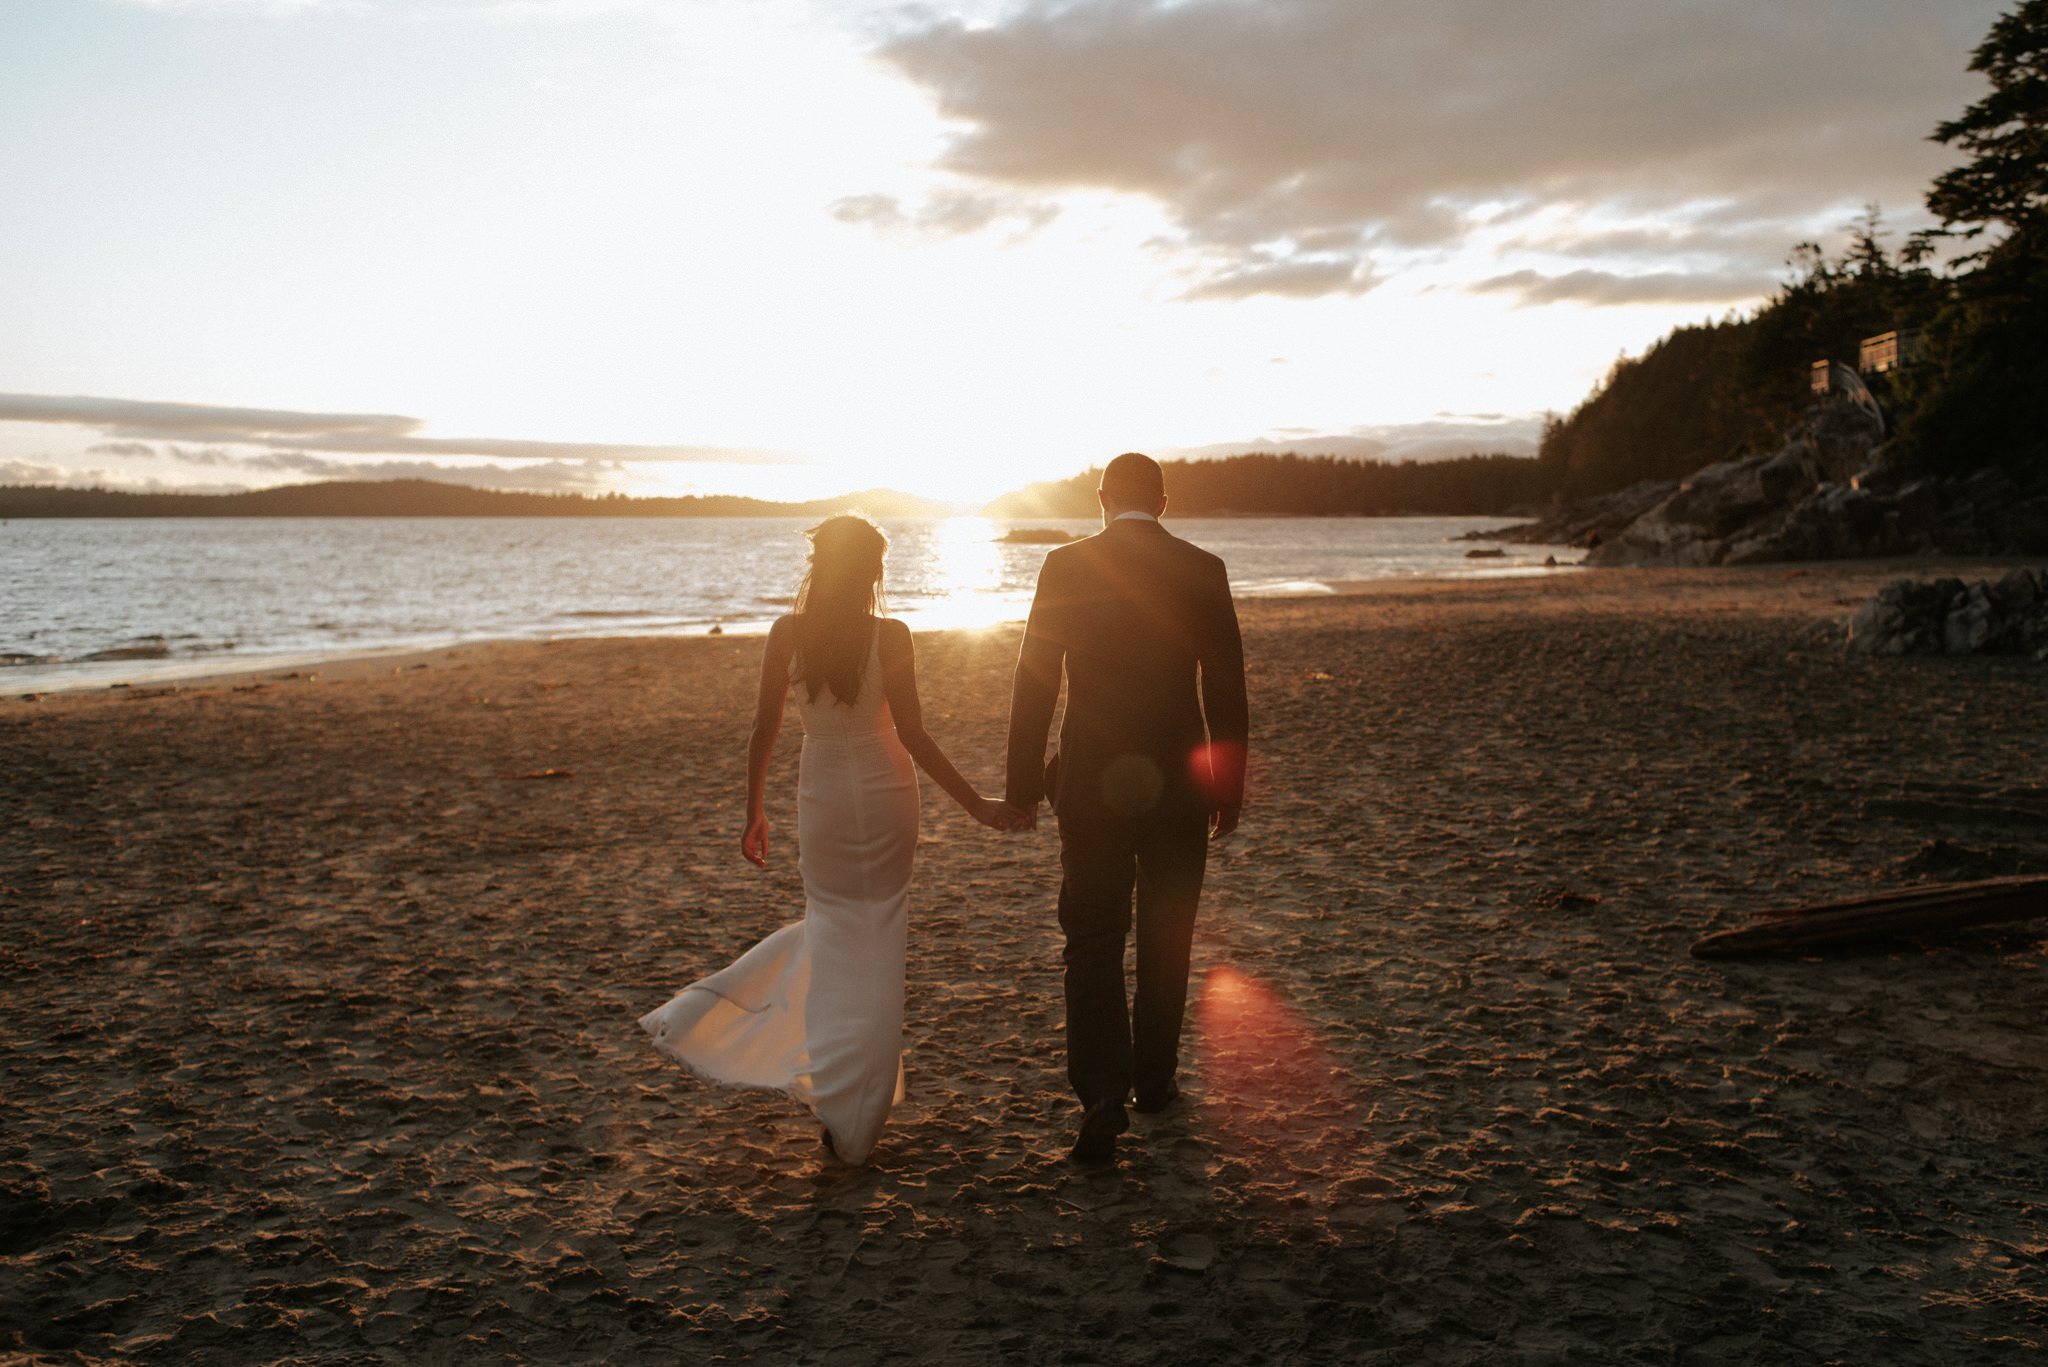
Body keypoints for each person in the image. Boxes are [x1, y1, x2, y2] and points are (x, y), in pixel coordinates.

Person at [639, 515, 1017, 1165]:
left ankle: (838, 1095)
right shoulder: (890, 634)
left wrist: (752, 810)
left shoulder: (789, 632)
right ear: (871, 571)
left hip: (822, 798)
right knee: (879, 938)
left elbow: (764, 728)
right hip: (886, 789)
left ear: (819, 567)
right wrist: (976, 804)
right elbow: (917, 735)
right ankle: (855, 1103)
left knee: (833, 931)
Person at [1004, 453, 1248, 1163]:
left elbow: (1034, 679)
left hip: (1088, 785)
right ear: (1163, 503)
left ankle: (1104, 1093)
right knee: (1168, 932)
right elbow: (1227, 689)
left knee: (1092, 936)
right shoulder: (1203, 568)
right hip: (1179, 785)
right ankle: (1155, 1081)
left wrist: (1023, 785)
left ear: (1103, 499)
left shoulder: (1065, 564)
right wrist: (1226, 788)